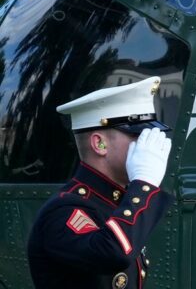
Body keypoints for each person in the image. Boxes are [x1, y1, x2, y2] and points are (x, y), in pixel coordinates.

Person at [27, 77, 173, 289]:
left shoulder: (114, 203)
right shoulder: (65, 210)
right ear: (100, 144)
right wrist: (144, 182)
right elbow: (112, 252)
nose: (147, 144)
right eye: (137, 135)